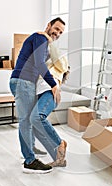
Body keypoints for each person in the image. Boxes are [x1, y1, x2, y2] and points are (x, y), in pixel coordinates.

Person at [9, 17, 65, 173]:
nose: (58, 33)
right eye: (56, 29)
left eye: (61, 32)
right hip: (24, 82)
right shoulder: (40, 38)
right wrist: (54, 85)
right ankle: (30, 160)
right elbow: (40, 64)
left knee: (28, 119)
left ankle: (30, 149)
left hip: (23, 82)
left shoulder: (42, 40)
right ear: (48, 26)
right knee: (26, 121)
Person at [30, 33, 69, 167]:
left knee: (37, 117)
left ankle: (60, 143)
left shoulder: (60, 64)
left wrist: (50, 40)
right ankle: (60, 159)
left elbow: (60, 62)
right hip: (40, 92)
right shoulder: (46, 62)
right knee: (32, 121)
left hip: (49, 91)